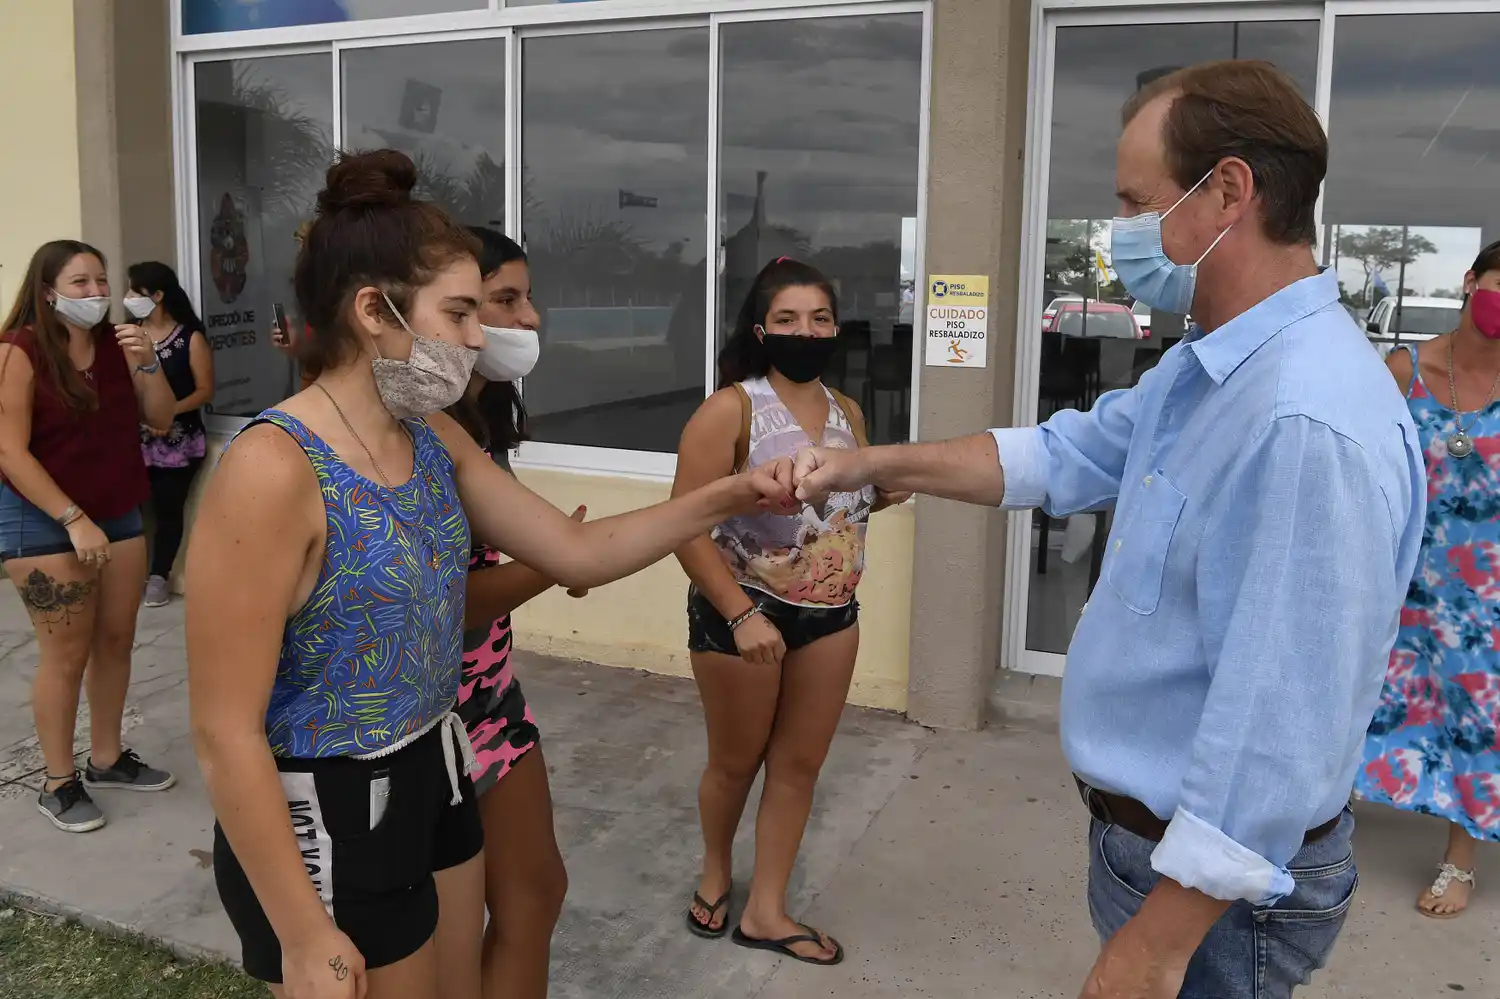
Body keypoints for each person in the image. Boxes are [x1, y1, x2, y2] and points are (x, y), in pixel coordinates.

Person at [791, 61, 1426, 998]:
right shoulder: (1206, 371)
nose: (1118, 231)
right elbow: (1059, 456)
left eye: (1136, 202)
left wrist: (1153, 946)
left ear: (1229, 193)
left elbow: (1276, 731)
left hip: (1207, 899)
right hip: (1148, 851)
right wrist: (869, 464)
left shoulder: (1302, 420)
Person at [184, 149, 795, 999]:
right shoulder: (272, 467)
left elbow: (576, 552)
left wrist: (725, 493)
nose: (480, 339)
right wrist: (303, 932)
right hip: (331, 803)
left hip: (437, 756)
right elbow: (224, 729)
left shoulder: (431, 434)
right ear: (373, 309)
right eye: (461, 312)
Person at [672, 257, 908, 966]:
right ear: (760, 328)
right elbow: (682, 523)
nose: (806, 331)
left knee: (800, 765)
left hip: (832, 612)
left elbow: (849, 496)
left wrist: (886, 488)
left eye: (819, 318)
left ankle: (767, 910)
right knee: (736, 762)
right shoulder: (732, 408)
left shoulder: (847, 410)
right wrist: (741, 614)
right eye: (787, 319)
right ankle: (717, 870)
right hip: (743, 613)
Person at [0, 240, 179, 834]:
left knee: (117, 639)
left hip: (119, 509)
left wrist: (149, 362)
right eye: (80, 283)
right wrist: (73, 518)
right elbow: (8, 450)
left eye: (102, 280)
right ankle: (57, 782)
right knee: (66, 652)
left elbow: (160, 418)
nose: (97, 293)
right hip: (43, 516)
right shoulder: (18, 350)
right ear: (48, 291)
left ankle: (106, 759)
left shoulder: (118, 345)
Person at [1356, 239, 1500, 920]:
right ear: (1470, 282)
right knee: (1364, 691)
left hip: (1487, 592)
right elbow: (1364, 471)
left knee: (1478, 715)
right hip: (1403, 574)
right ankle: (1325, 810)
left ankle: (1461, 858)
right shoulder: (1405, 368)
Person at [446, 226, 573, 999]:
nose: (528, 319)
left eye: (527, 298)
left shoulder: (483, 422)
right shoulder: (419, 433)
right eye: (503, 300)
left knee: (535, 890)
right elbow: (447, 603)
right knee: (444, 944)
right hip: (425, 718)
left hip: (491, 699)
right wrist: (550, 564)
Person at [126, 261, 213, 607]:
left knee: (167, 509)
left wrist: (167, 412)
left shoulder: (189, 338)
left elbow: (205, 390)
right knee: (131, 511)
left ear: (158, 295)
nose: (128, 297)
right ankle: (130, 575)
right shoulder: (128, 335)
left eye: (136, 290)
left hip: (179, 441)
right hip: (136, 441)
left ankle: (159, 577)